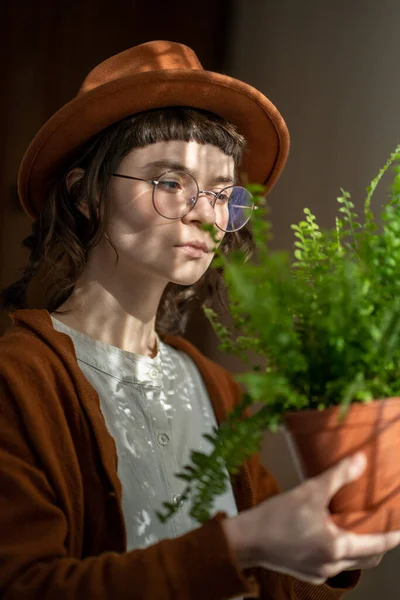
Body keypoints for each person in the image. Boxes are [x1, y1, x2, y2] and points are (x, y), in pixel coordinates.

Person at [0, 40, 399, 600]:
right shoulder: (21, 378)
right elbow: (26, 586)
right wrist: (238, 544)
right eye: (170, 182)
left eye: (222, 193)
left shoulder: (215, 388)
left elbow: (262, 581)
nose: (205, 213)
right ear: (84, 194)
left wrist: (334, 551)